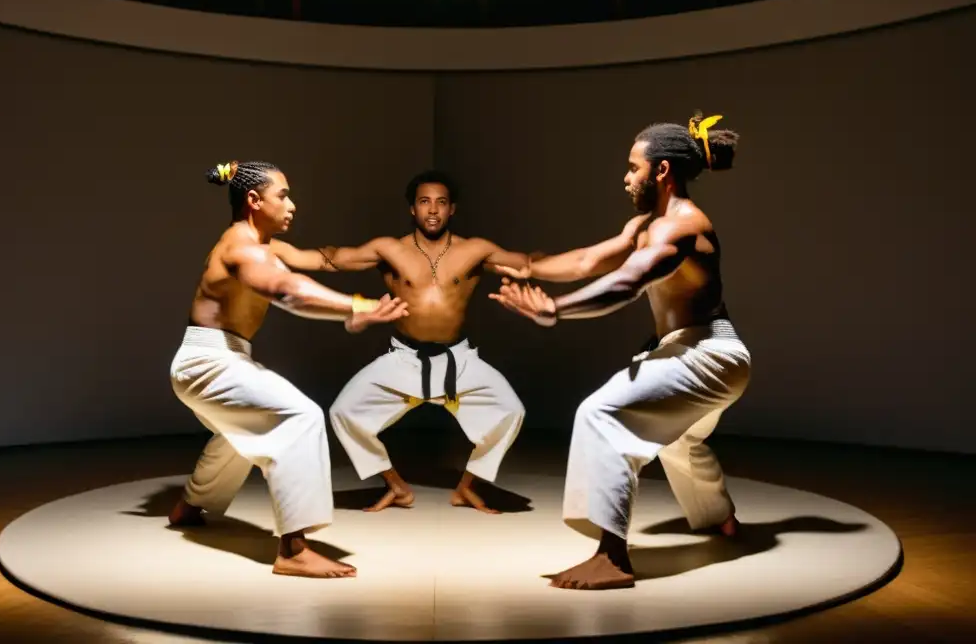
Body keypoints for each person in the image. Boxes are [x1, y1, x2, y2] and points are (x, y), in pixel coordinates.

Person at [491, 114, 750, 590]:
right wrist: (527, 267)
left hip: (712, 352)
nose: (626, 177)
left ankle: (612, 558)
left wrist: (556, 310)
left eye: (634, 168)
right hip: (694, 351)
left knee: (601, 413)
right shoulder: (646, 225)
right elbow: (590, 261)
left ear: (663, 171)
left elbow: (629, 282)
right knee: (679, 439)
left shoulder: (683, 227)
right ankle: (720, 519)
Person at [167, 160, 408, 579]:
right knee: (300, 417)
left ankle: (189, 506)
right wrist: (359, 305)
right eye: (283, 195)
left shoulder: (264, 248)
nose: (293, 205)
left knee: (239, 431)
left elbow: (310, 275)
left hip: (211, 360)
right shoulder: (240, 247)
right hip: (208, 361)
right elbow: (289, 292)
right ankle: (293, 550)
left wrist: (359, 299)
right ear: (254, 200)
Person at [276, 171, 529, 513]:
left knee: (511, 411)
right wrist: (269, 243)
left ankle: (467, 487)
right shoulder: (389, 249)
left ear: (452, 208)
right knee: (344, 412)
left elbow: (530, 264)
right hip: (404, 359)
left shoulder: (475, 250)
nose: (433, 210)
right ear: (413, 209)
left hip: (459, 360)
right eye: (424, 202)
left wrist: (579, 264)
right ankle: (396, 487)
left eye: (441, 202)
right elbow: (330, 258)